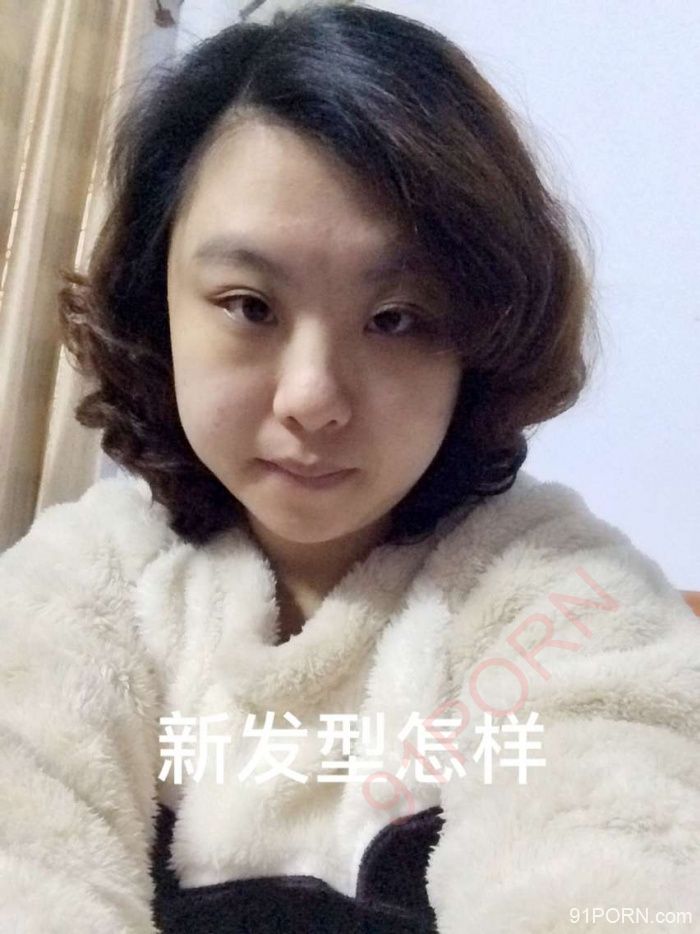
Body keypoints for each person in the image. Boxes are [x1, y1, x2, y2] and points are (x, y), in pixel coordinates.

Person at [1, 3, 698, 932]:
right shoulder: (81, 588)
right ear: (154, 301)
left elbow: (613, 856)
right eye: (249, 305)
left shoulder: (567, 600)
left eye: (396, 318)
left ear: (479, 336)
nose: (313, 397)